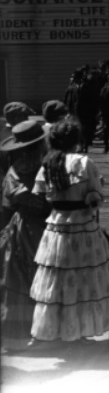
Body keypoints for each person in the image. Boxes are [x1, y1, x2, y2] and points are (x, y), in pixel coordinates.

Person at [30, 119, 109, 343]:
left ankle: (59, 330)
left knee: (58, 279)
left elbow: (38, 194)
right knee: (84, 280)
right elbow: (96, 196)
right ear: (76, 140)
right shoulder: (83, 162)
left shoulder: (47, 164)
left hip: (56, 227)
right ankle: (79, 330)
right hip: (82, 227)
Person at [0, 120, 51, 348]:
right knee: (47, 279)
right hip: (47, 229)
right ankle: (47, 331)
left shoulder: (14, 170)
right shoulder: (50, 165)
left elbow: (10, 202)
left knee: (21, 281)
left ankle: (21, 334)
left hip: (23, 229)